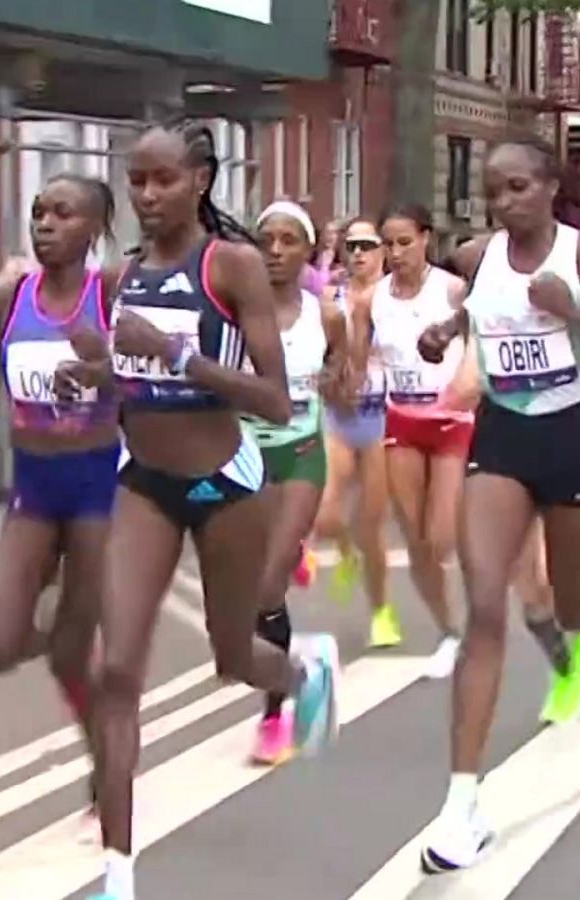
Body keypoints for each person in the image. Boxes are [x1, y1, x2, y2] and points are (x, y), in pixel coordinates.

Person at [61, 121, 339, 900]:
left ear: (202, 179)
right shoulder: (121, 278)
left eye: (163, 181)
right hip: (143, 481)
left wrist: (180, 354)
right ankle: (119, 873)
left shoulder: (233, 267)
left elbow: (275, 400)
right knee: (116, 669)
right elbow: (130, 384)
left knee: (233, 658)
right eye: (137, 181)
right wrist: (93, 380)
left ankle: (301, 668)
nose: (147, 197)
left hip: (224, 479)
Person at [416, 137, 580, 873]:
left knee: (570, 605)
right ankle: (460, 808)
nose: (505, 202)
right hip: (501, 438)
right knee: (486, 606)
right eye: (494, 190)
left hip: (573, 439)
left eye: (520, 187)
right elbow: (478, 310)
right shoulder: (474, 258)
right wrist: (445, 332)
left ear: (551, 186)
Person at [0, 173, 119, 804]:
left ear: (94, 230)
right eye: (38, 213)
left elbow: (146, 380)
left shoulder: (109, 291)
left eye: (63, 213)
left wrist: (97, 376)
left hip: (98, 490)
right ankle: (90, 658)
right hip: (34, 486)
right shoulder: (13, 295)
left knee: (74, 656)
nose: (46, 224)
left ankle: (107, 764)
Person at [241, 202, 351, 767]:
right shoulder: (233, 315)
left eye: (289, 240)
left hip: (299, 457)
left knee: (265, 587)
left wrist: (333, 379)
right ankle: (304, 666)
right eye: (267, 239)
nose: (276, 250)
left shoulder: (325, 314)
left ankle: (274, 714)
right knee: (251, 597)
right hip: (242, 460)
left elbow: (341, 373)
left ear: (309, 252)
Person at [370, 204, 473, 679]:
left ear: (426, 239)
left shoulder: (451, 291)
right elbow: (364, 355)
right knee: (416, 540)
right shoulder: (374, 298)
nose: (395, 253)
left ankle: (481, 584)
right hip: (402, 419)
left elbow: (481, 337)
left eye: (404, 242)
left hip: (451, 418)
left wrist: (470, 382)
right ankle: (451, 630)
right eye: (388, 244)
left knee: (440, 536)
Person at [313, 217, 394, 646]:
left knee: (371, 526)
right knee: (324, 512)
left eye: (367, 245)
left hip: (382, 416)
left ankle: (382, 611)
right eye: (351, 246)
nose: (359, 253)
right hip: (339, 413)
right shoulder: (331, 297)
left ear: (384, 250)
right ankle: (344, 552)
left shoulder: (396, 296)